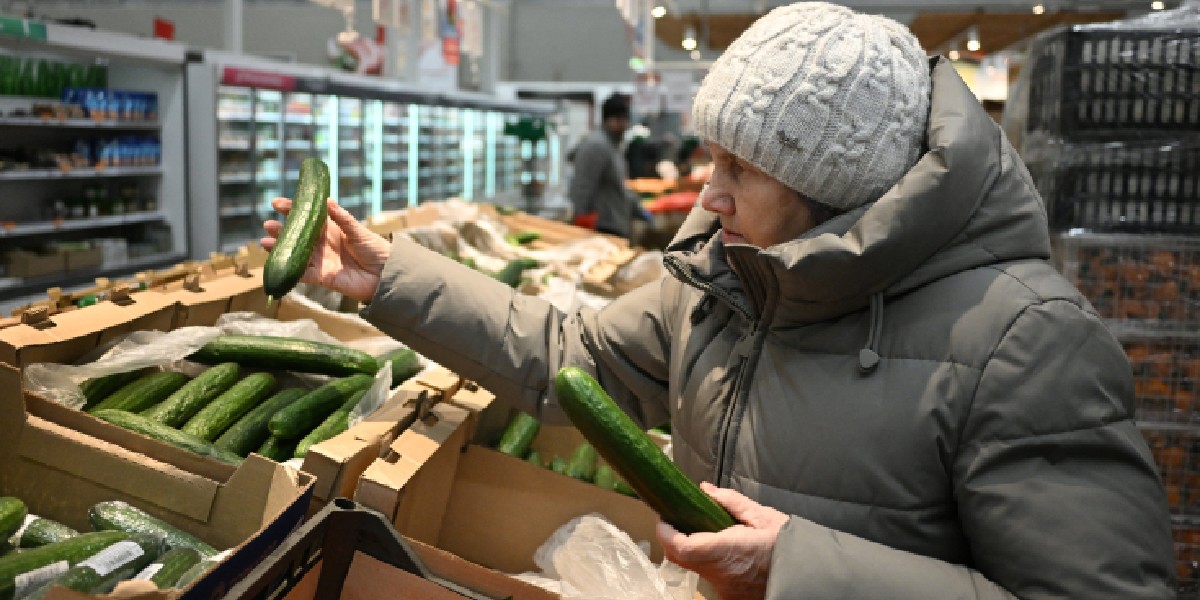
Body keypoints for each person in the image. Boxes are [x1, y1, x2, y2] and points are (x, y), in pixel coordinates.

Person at [263, 2, 1175, 598]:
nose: (706, 194)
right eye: (711, 159)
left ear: (840, 189)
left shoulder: (1029, 341)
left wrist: (799, 567)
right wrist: (391, 278)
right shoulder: (725, 281)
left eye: (740, 168)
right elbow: (570, 358)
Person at [567, 93, 640, 239]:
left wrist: (634, 205)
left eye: (625, 119)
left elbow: (617, 185)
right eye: (619, 119)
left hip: (614, 223)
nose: (624, 125)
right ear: (608, 119)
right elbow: (582, 187)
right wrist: (582, 226)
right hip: (601, 228)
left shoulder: (613, 145)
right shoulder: (596, 146)